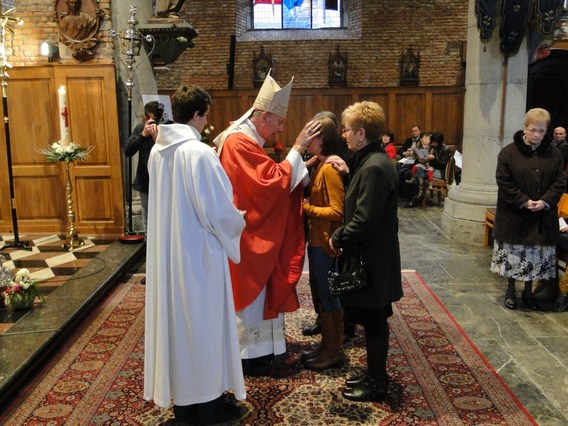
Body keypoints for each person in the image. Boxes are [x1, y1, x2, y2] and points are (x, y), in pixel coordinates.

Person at [144, 85, 249, 425]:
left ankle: (187, 406)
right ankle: (208, 408)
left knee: (182, 331)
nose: (207, 123)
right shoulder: (200, 153)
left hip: (171, 258)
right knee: (205, 330)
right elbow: (218, 210)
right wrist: (239, 220)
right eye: (206, 115)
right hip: (200, 259)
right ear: (199, 114)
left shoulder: (158, 153)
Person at [214, 70, 322, 377]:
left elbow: (269, 177)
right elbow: (268, 185)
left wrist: (302, 161)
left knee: (260, 295)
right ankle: (251, 355)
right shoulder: (239, 143)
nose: (281, 129)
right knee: (253, 293)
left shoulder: (244, 138)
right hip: (249, 235)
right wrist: (298, 148)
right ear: (263, 116)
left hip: (249, 227)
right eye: (278, 122)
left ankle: (261, 350)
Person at [327, 101, 403, 402]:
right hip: (375, 253)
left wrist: (338, 236)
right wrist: (348, 174)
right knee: (374, 317)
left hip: (373, 256)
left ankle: (377, 381)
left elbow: (365, 219)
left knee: (374, 319)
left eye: (347, 130)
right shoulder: (370, 161)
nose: (344, 135)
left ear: (361, 133)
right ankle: (374, 373)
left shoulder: (374, 166)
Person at [491, 108, 566, 311]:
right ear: (524, 128)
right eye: (533, 130)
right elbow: (504, 182)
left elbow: (560, 181)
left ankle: (527, 293)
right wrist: (523, 201)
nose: (537, 135)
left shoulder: (555, 154)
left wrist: (545, 201)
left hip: (542, 216)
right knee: (515, 257)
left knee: (534, 258)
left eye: (542, 131)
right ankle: (510, 291)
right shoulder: (508, 152)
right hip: (515, 215)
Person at [300, 114, 345, 371]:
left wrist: (309, 209)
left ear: (321, 139)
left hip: (325, 242)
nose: (307, 140)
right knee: (324, 294)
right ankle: (326, 345)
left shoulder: (330, 169)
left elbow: (337, 212)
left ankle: (334, 351)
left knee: (329, 296)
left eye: (311, 136)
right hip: (317, 240)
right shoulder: (323, 163)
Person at [122, 101, 163, 232]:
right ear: (145, 118)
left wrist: (160, 139)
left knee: (165, 217)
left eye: (158, 119)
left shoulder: (167, 128)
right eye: (152, 120)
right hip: (145, 180)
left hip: (164, 180)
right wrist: (143, 136)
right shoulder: (140, 129)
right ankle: (148, 246)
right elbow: (128, 151)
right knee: (148, 221)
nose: (155, 123)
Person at [405, 132, 433, 208]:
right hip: (419, 165)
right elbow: (414, 157)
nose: (425, 145)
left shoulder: (431, 148)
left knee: (419, 172)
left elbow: (433, 157)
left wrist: (426, 157)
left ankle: (419, 195)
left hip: (427, 168)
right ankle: (409, 196)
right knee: (406, 173)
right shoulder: (420, 147)